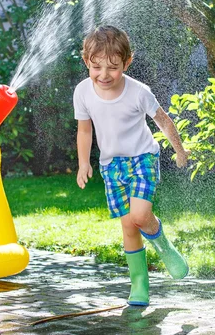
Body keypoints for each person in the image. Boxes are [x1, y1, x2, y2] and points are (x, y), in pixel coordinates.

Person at [73, 25, 190, 306]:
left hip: (142, 158)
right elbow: (85, 130)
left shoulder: (138, 92)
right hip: (111, 165)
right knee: (128, 226)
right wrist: (82, 164)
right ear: (86, 61)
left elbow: (163, 120)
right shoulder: (83, 92)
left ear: (127, 62)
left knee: (139, 215)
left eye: (113, 67)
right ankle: (139, 284)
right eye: (96, 66)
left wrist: (180, 150)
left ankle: (164, 246)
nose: (104, 75)